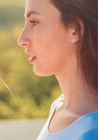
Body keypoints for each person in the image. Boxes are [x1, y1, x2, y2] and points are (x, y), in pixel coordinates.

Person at [18, 0, 98, 139]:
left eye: (34, 22)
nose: (21, 39)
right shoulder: (58, 107)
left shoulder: (92, 131)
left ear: (74, 29)